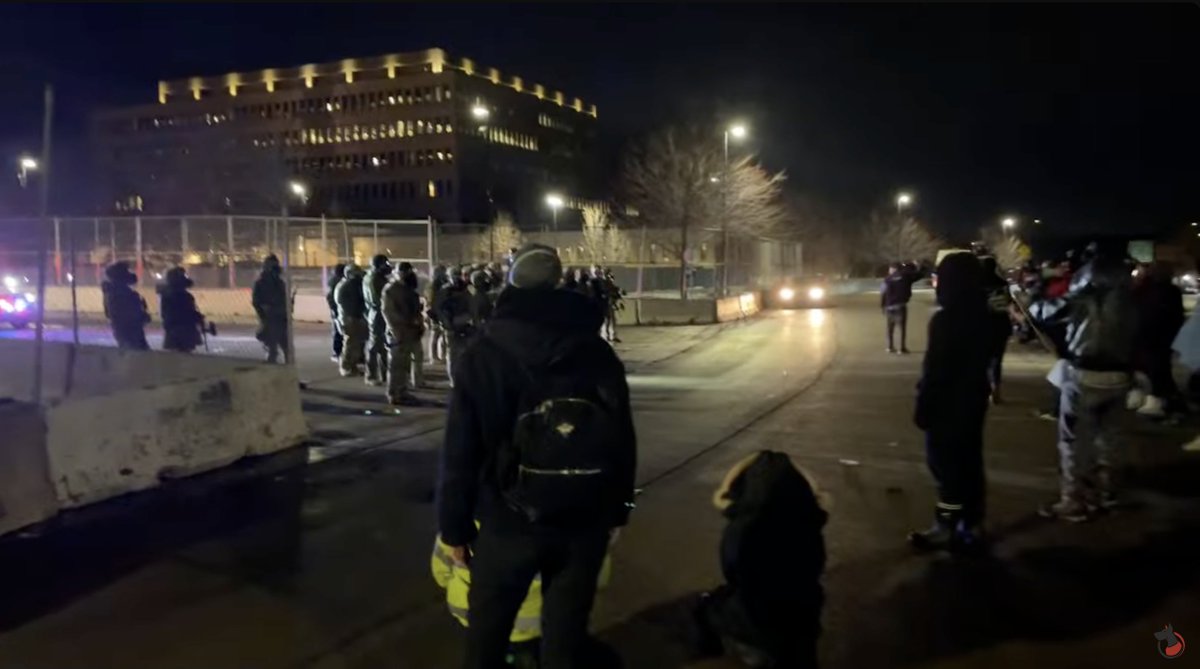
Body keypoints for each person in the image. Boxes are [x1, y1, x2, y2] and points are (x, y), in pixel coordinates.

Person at [438, 243, 637, 669]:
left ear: (509, 283)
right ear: (559, 283)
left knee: (487, 632)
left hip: (506, 519)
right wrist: (619, 510)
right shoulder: (596, 352)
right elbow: (622, 438)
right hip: (583, 521)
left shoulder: (484, 355)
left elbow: (460, 451)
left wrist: (454, 528)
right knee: (565, 638)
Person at [1030, 243, 1137, 521]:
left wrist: (1039, 285)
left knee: (1072, 440)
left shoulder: (1081, 298)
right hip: (1121, 375)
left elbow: (1042, 312)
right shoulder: (1130, 299)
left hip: (1084, 374)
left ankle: (1073, 500)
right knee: (1109, 438)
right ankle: (1106, 493)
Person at [694, 451, 826, 668]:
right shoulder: (808, 524)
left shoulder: (742, 529)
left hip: (757, 623)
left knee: (708, 606)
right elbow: (815, 569)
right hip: (803, 619)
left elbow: (732, 572)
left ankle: (713, 649)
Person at [910, 252, 993, 552]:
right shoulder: (986, 315)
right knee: (970, 462)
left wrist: (923, 406)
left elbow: (936, 371)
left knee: (946, 469)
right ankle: (972, 523)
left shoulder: (946, 321)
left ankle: (946, 526)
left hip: (947, 405)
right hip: (975, 400)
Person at [1131, 262, 1185, 417]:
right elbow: (1177, 317)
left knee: (1152, 371)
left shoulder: (1141, 290)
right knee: (1160, 370)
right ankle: (1166, 402)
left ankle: (1159, 402)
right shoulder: (1172, 291)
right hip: (1163, 338)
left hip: (1146, 337)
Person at [382, 268, 425, 405]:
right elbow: (388, 312)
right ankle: (394, 394)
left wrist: (418, 324)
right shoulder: (391, 290)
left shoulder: (408, 289)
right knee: (396, 365)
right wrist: (396, 330)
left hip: (409, 331)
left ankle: (402, 391)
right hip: (399, 332)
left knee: (404, 364)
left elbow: (414, 308)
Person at [980, 257, 1014, 404]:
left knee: (983, 360)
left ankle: (985, 390)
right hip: (1001, 325)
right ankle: (996, 393)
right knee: (997, 360)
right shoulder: (1002, 284)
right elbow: (1008, 303)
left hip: (982, 326)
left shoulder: (976, 283)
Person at [102, 261, 150, 351]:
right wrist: (141, 316)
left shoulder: (115, 292)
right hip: (129, 332)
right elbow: (125, 315)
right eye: (126, 272)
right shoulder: (119, 294)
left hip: (129, 331)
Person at [437, 267, 473, 385]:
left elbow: (471, 305)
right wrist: (446, 324)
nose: (457, 277)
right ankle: (454, 379)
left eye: (458, 275)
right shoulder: (445, 291)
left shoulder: (466, 289)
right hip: (451, 326)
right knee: (453, 354)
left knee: (464, 352)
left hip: (464, 324)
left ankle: (462, 377)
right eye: (454, 275)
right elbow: (439, 309)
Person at [158, 266, 205, 353]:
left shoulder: (166, 295)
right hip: (184, 330)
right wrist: (197, 317)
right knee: (185, 353)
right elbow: (187, 313)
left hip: (173, 329)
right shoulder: (185, 296)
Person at [252, 254, 289, 364]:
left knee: (287, 349)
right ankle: (271, 370)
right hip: (270, 319)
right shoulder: (261, 283)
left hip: (281, 319)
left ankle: (287, 371)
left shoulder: (280, 282)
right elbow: (256, 302)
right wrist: (263, 315)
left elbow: (284, 299)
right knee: (272, 350)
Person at [363, 254, 393, 386]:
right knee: (375, 345)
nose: (386, 266)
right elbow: (379, 299)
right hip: (377, 313)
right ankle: (370, 375)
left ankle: (385, 374)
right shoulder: (374, 278)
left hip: (377, 312)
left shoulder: (374, 277)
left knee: (383, 346)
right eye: (384, 264)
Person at [335, 263, 368, 377]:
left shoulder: (352, 285)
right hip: (348, 318)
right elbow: (344, 304)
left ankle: (352, 366)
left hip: (355, 317)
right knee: (350, 344)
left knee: (356, 345)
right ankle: (345, 366)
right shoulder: (345, 286)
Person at [881, 263, 916, 354]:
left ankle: (890, 347)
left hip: (890, 307)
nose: (889, 271)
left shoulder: (887, 279)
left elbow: (883, 293)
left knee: (890, 328)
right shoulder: (905, 277)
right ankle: (901, 348)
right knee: (902, 328)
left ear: (893, 269)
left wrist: (883, 306)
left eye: (890, 269)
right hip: (901, 306)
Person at [427, 264, 449, 363]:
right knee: (435, 334)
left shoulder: (440, 284)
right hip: (434, 313)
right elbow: (431, 301)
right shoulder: (433, 286)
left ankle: (441, 355)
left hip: (440, 312)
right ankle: (434, 356)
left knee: (441, 334)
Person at [326, 262, 347, 363]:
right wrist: (334, 310)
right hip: (337, 309)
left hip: (337, 309)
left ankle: (339, 351)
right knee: (338, 331)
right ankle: (337, 352)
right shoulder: (335, 282)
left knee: (339, 331)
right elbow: (330, 297)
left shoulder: (334, 281)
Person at [602, 269, 623, 344]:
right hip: (607, 304)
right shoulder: (605, 283)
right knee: (608, 320)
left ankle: (612, 335)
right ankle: (608, 335)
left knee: (612, 320)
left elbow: (614, 291)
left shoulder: (609, 283)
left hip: (610, 303)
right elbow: (607, 292)